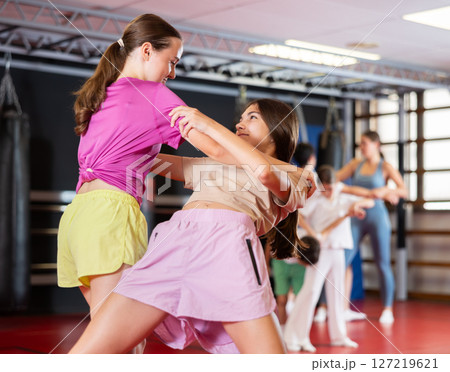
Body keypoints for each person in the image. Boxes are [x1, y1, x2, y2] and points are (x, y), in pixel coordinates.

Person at [68, 98, 316, 354]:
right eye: (240, 118)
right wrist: (108, 134)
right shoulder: (216, 164)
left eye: (252, 117)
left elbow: (263, 172)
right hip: (175, 240)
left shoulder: (301, 177)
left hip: (227, 245)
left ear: (280, 128)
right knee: (92, 351)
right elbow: (149, 161)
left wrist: (206, 124)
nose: (241, 123)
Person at [57, 14, 235, 351]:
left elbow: (144, 159)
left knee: (108, 333)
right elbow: (217, 148)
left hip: (77, 218)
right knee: (121, 341)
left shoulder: (103, 93)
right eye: (172, 62)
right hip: (111, 216)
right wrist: (261, 160)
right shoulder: (153, 92)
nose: (173, 73)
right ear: (148, 51)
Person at [284, 165, 375, 352]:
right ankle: (296, 336)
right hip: (321, 251)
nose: (329, 192)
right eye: (326, 188)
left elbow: (370, 201)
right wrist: (313, 233)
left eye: (332, 188)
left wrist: (356, 206)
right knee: (311, 292)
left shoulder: (344, 198)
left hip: (338, 249)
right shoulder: (316, 200)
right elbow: (298, 215)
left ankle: (339, 336)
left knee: (337, 293)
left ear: (336, 185)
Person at [336, 130, 408, 324]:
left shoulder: (385, 167)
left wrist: (386, 190)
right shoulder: (354, 164)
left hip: (377, 218)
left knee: (382, 263)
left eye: (365, 143)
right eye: (361, 143)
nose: (362, 147)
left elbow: (404, 191)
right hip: (357, 216)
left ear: (377, 145)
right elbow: (335, 179)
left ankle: (387, 308)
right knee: (342, 259)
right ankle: (334, 308)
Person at [265, 142, 317, 326]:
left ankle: (295, 329)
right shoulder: (287, 183)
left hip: (298, 252)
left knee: (299, 296)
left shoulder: (309, 182)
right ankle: (282, 329)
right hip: (281, 257)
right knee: (281, 299)